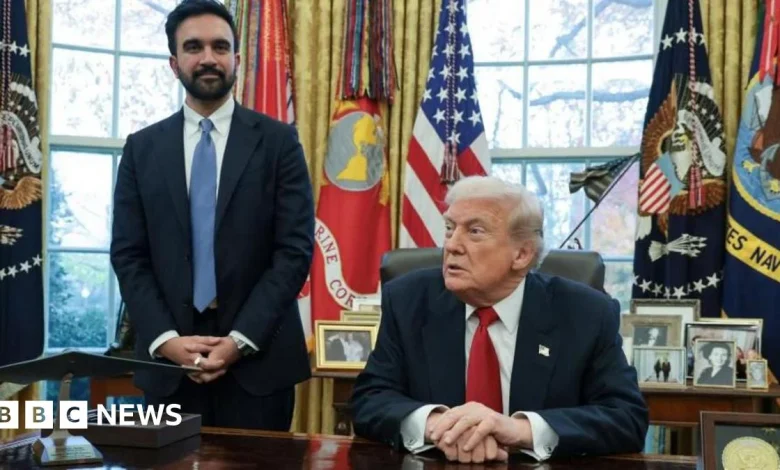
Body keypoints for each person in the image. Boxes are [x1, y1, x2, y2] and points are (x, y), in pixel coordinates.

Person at [110, 0, 314, 430]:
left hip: (259, 366)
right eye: (194, 47)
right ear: (174, 62)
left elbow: (293, 252)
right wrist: (167, 342)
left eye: (220, 47)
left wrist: (238, 342)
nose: (208, 58)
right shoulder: (141, 149)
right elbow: (129, 256)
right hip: (168, 370)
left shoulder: (280, 144)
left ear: (236, 59)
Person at [349, 176, 648, 463]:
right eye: (450, 228)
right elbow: (370, 400)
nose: (452, 245)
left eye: (475, 231)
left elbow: (626, 418)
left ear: (521, 255)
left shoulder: (586, 313)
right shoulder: (408, 301)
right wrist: (438, 426)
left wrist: (517, 430)